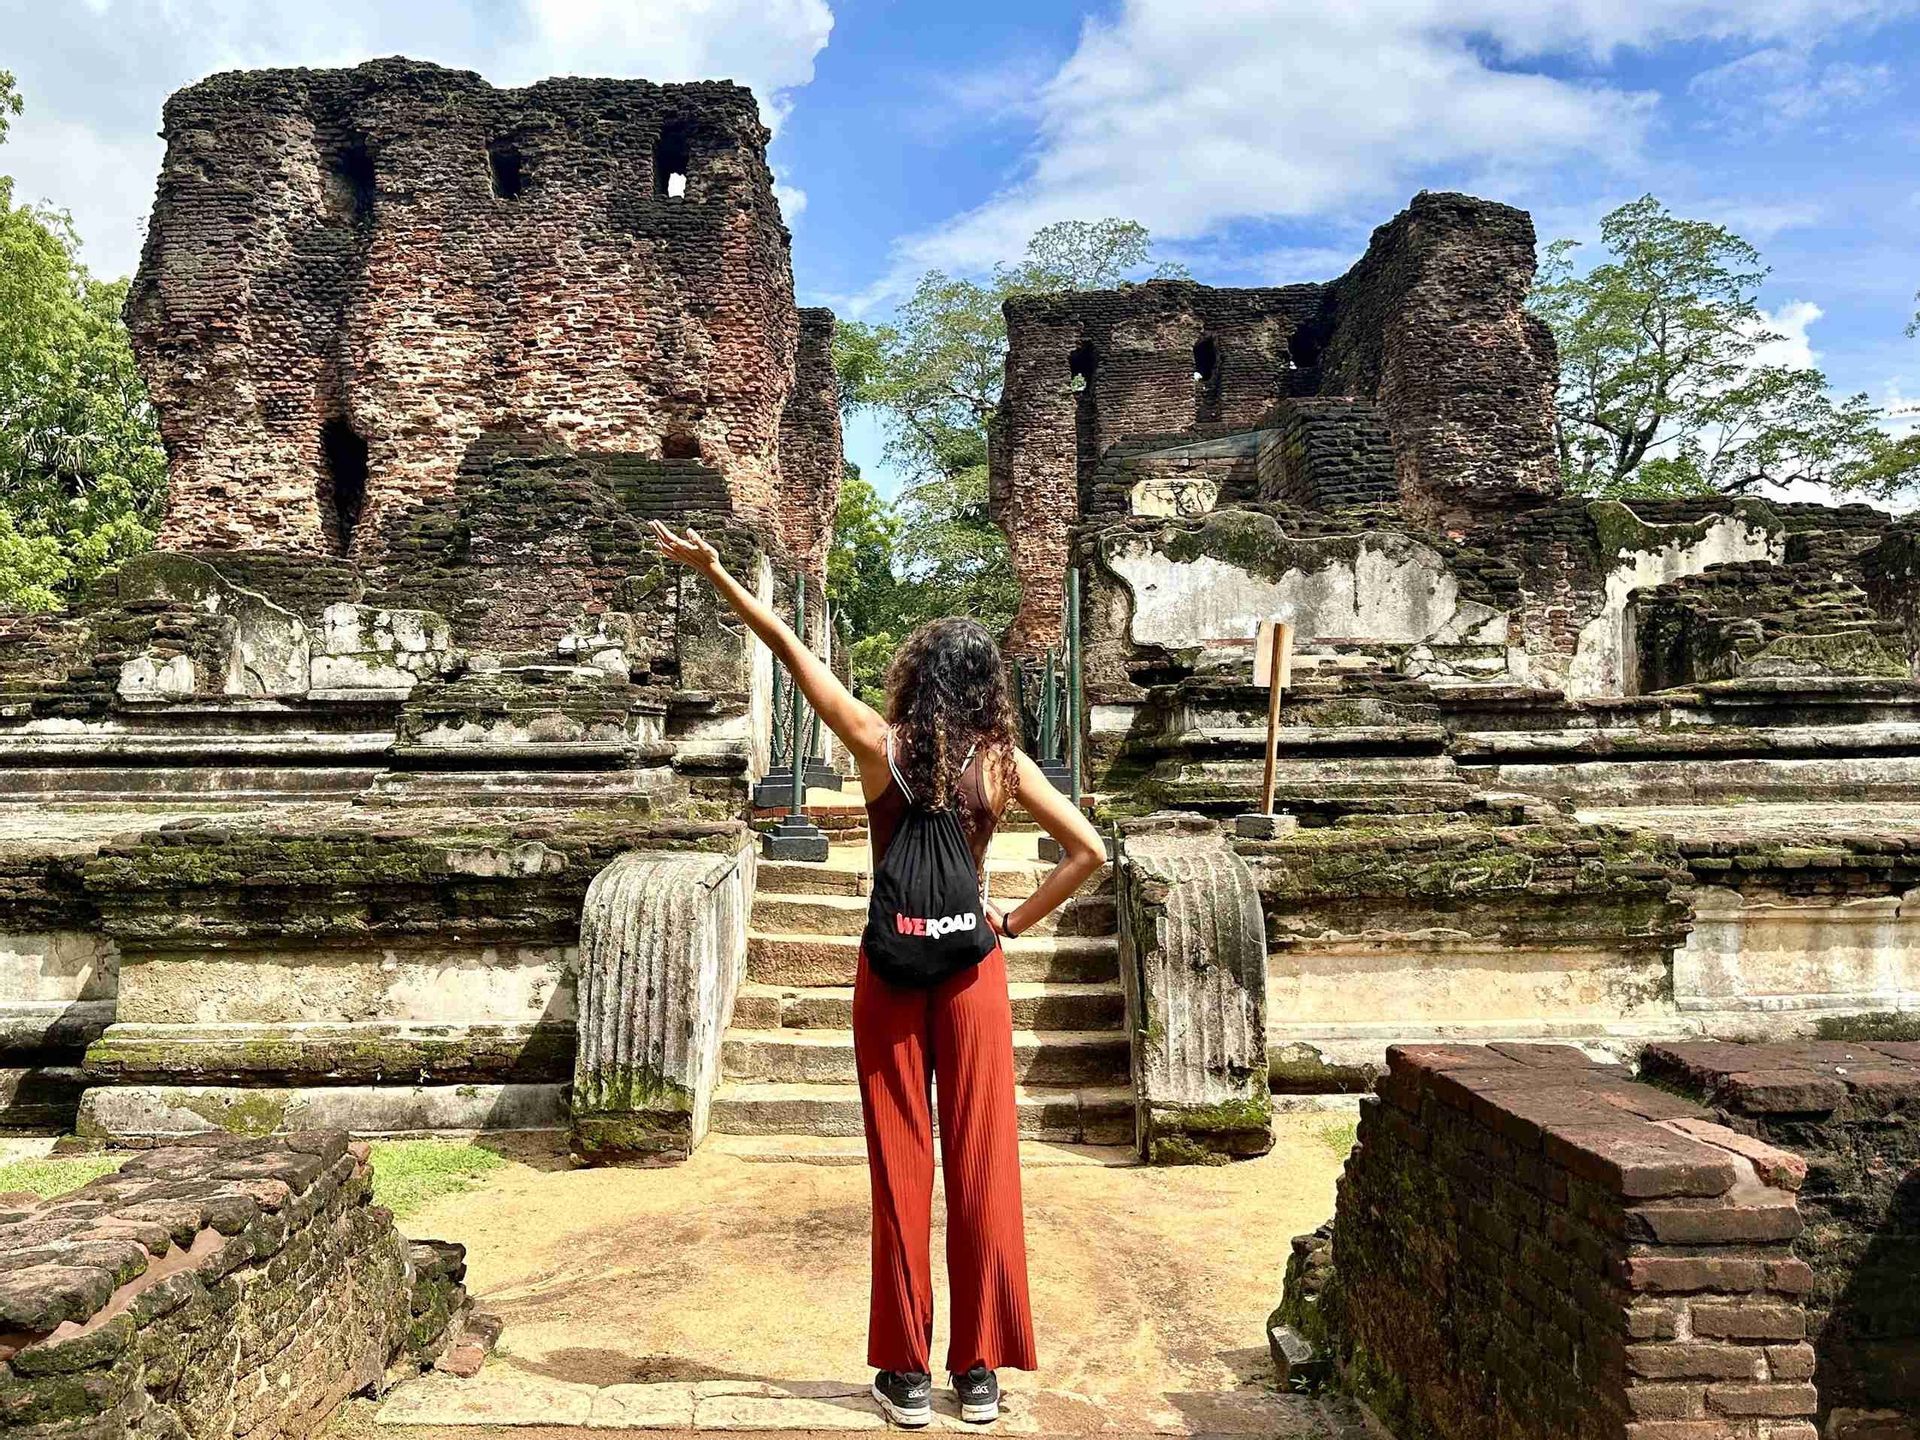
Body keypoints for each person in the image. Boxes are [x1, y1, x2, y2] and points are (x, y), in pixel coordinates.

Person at [652, 521, 1107, 1428]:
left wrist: (719, 574)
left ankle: (905, 1373)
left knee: (902, 1165)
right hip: (973, 971)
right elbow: (1088, 850)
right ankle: (978, 1372)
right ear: (987, 688)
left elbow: (791, 653)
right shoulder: (1002, 765)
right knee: (981, 1163)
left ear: (916, 677)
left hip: (890, 966)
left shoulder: (875, 743)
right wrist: (1009, 921)